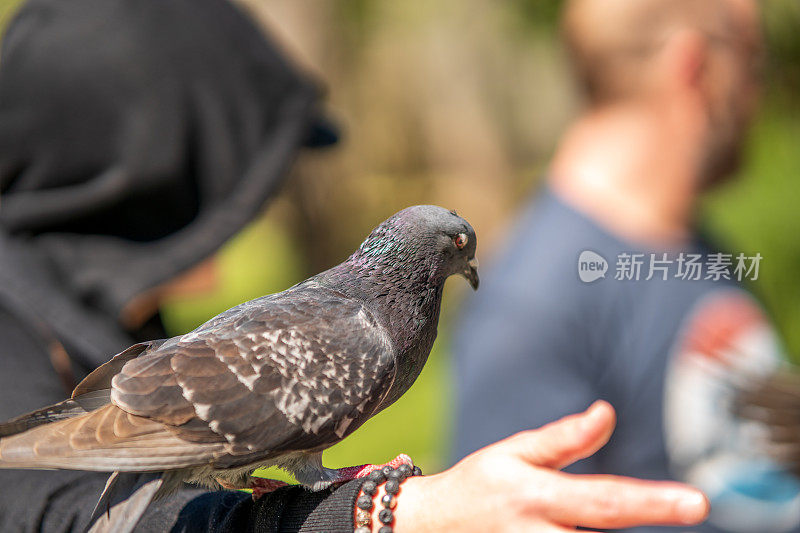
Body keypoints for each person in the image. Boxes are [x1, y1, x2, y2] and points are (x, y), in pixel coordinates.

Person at [0, 0, 711, 531]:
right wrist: (385, 512)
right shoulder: (12, 331)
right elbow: (53, 511)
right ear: (153, 176)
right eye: (233, 186)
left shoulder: (116, 316)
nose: (251, 212)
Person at [453, 0, 800, 531]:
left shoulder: (693, 242)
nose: (760, 91)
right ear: (694, 63)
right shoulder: (529, 302)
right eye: (754, 62)